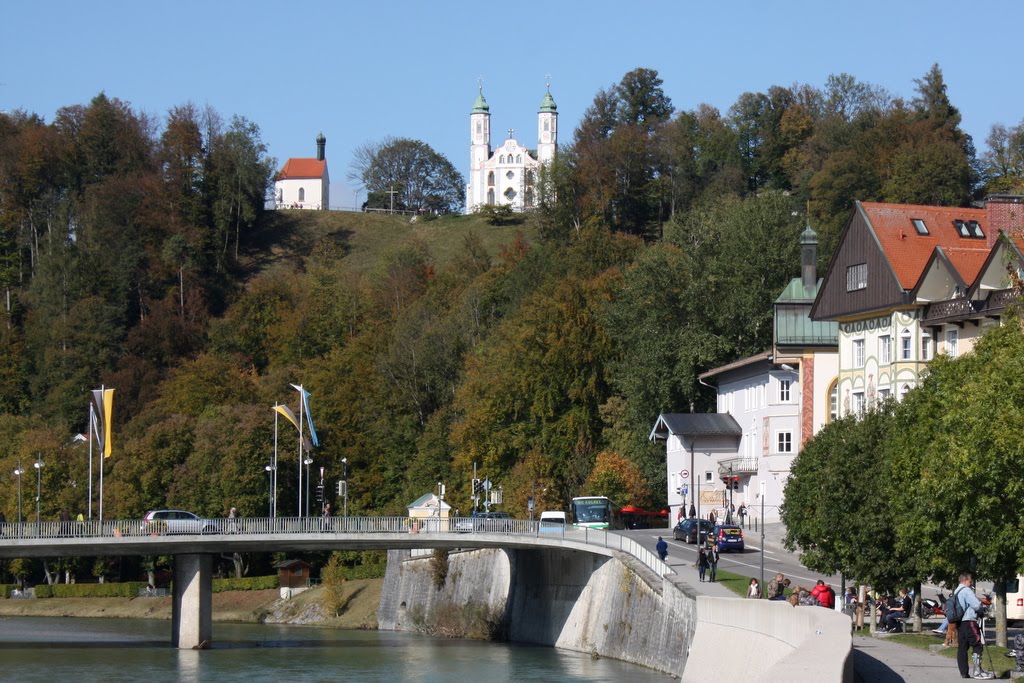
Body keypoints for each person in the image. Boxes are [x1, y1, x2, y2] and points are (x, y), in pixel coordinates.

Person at [954, 572, 994, 679]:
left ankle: (964, 672)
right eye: (970, 581)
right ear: (965, 580)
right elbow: (976, 605)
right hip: (969, 621)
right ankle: (978, 671)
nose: (971, 583)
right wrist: (981, 609)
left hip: (960, 622)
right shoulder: (966, 590)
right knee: (977, 644)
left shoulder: (956, 591)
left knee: (962, 647)